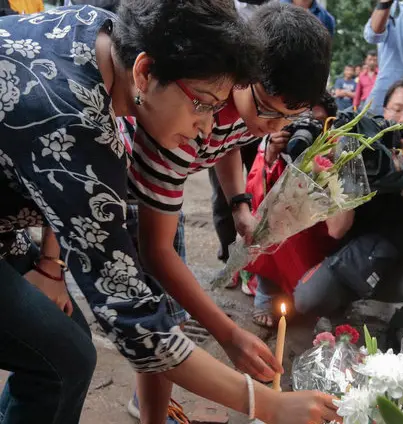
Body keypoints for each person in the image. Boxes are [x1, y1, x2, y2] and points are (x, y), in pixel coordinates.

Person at [0, 3, 338, 424]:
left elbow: (55, 184)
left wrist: (50, 264)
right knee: (63, 358)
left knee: (63, 344)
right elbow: (135, 319)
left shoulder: (99, 32)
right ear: (144, 72)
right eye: (203, 105)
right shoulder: (82, 131)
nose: (206, 129)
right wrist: (267, 404)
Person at [123, 2, 335, 422]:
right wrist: (228, 333)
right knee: (159, 320)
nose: (273, 129)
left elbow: (231, 142)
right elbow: (157, 250)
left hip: (165, 196)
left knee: (168, 316)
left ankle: (152, 407)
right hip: (129, 196)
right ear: (243, 71)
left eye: (289, 119)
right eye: (269, 111)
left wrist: (240, 204)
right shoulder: (186, 118)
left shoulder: (249, 106)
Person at [294, 73, 403, 320]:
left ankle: (400, 328)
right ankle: (338, 312)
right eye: (397, 109)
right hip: (348, 263)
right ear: (384, 112)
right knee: (307, 298)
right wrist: (348, 171)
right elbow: (336, 229)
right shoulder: (360, 155)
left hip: (396, 269)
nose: (402, 119)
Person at [241, 93, 340, 327]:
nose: (306, 129)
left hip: (315, 236)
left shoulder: (337, 150)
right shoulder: (276, 144)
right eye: (301, 120)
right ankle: (266, 295)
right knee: (264, 225)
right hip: (280, 231)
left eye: (317, 123)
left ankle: (309, 293)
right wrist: (271, 157)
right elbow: (254, 196)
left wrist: (326, 168)